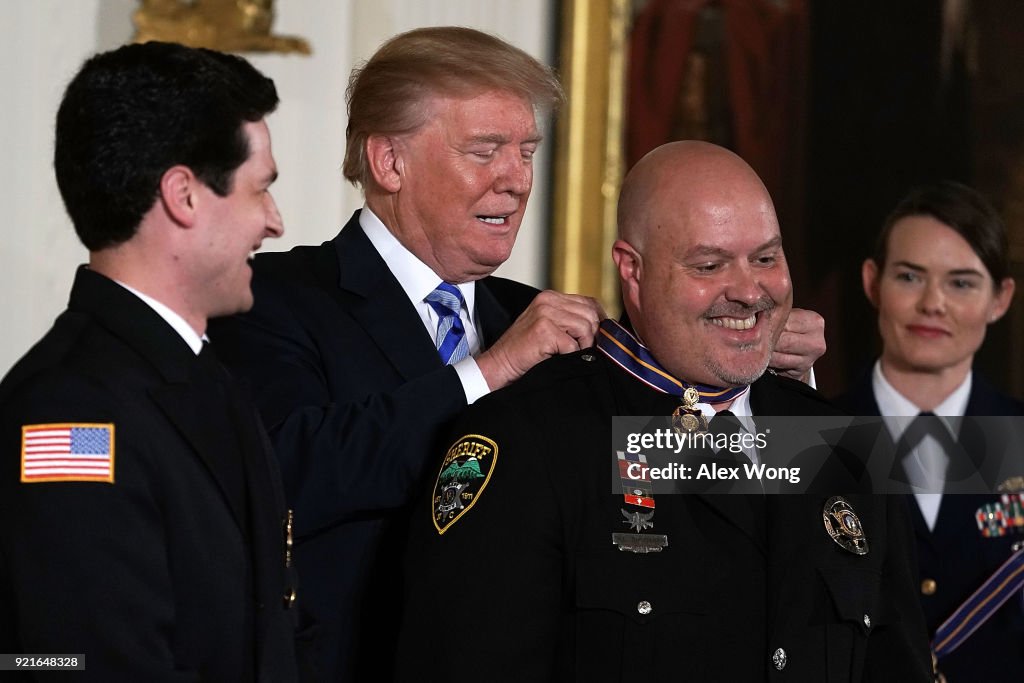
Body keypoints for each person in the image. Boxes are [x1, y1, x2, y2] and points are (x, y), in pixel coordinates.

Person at [208, 27, 827, 681]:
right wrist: (489, 370)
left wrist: (759, 379)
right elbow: (284, 475)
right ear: (390, 161)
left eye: (526, 150)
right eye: (486, 151)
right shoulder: (273, 300)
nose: (517, 179)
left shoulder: (540, 315)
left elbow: (668, 472)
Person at [396, 141, 932, 681]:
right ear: (632, 270)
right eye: (709, 264)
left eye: (766, 258)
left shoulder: (846, 445)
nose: (749, 291)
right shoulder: (530, 440)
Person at [0, 42, 298, 681]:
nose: (274, 222)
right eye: (261, 189)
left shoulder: (204, 374)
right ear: (184, 196)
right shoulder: (68, 415)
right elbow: (66, 666)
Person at [835, 181, 1023, 682]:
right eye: (910, 277)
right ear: (873, 283)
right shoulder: (815, 437)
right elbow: (642, 455)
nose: (933, 304)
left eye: (961, 283)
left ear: (1000, 299)